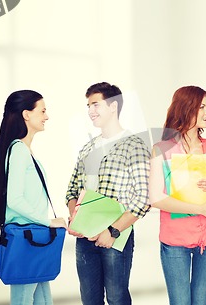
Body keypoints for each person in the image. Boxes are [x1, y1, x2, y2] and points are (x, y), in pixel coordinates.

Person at [65, 82, 151, 305]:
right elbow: (72, 190)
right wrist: (77, 219)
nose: (90, 111)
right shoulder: (87, 148)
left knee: (117, 298)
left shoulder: (134, 145)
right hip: (85, 239)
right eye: (88, 106)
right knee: (89, 299)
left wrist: (111, 231)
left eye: (95, 104)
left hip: (115, 237)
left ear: (113, 107)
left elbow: (143, 198)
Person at [148, 85, 206, 305]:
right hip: (176, 240)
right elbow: (156, 198)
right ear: (187, 109)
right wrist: (199, 209)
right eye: (203, 106)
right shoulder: (161, 149)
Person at [0, 90, 67, 305]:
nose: (47, 116)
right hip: (27, 238)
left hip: (33, 239)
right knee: (24, 300)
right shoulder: (18, 150)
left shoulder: (24, 150)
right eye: (42, 111)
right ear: (26, 114)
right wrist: (48, 221)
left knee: (43, 300)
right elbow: (14, 200)